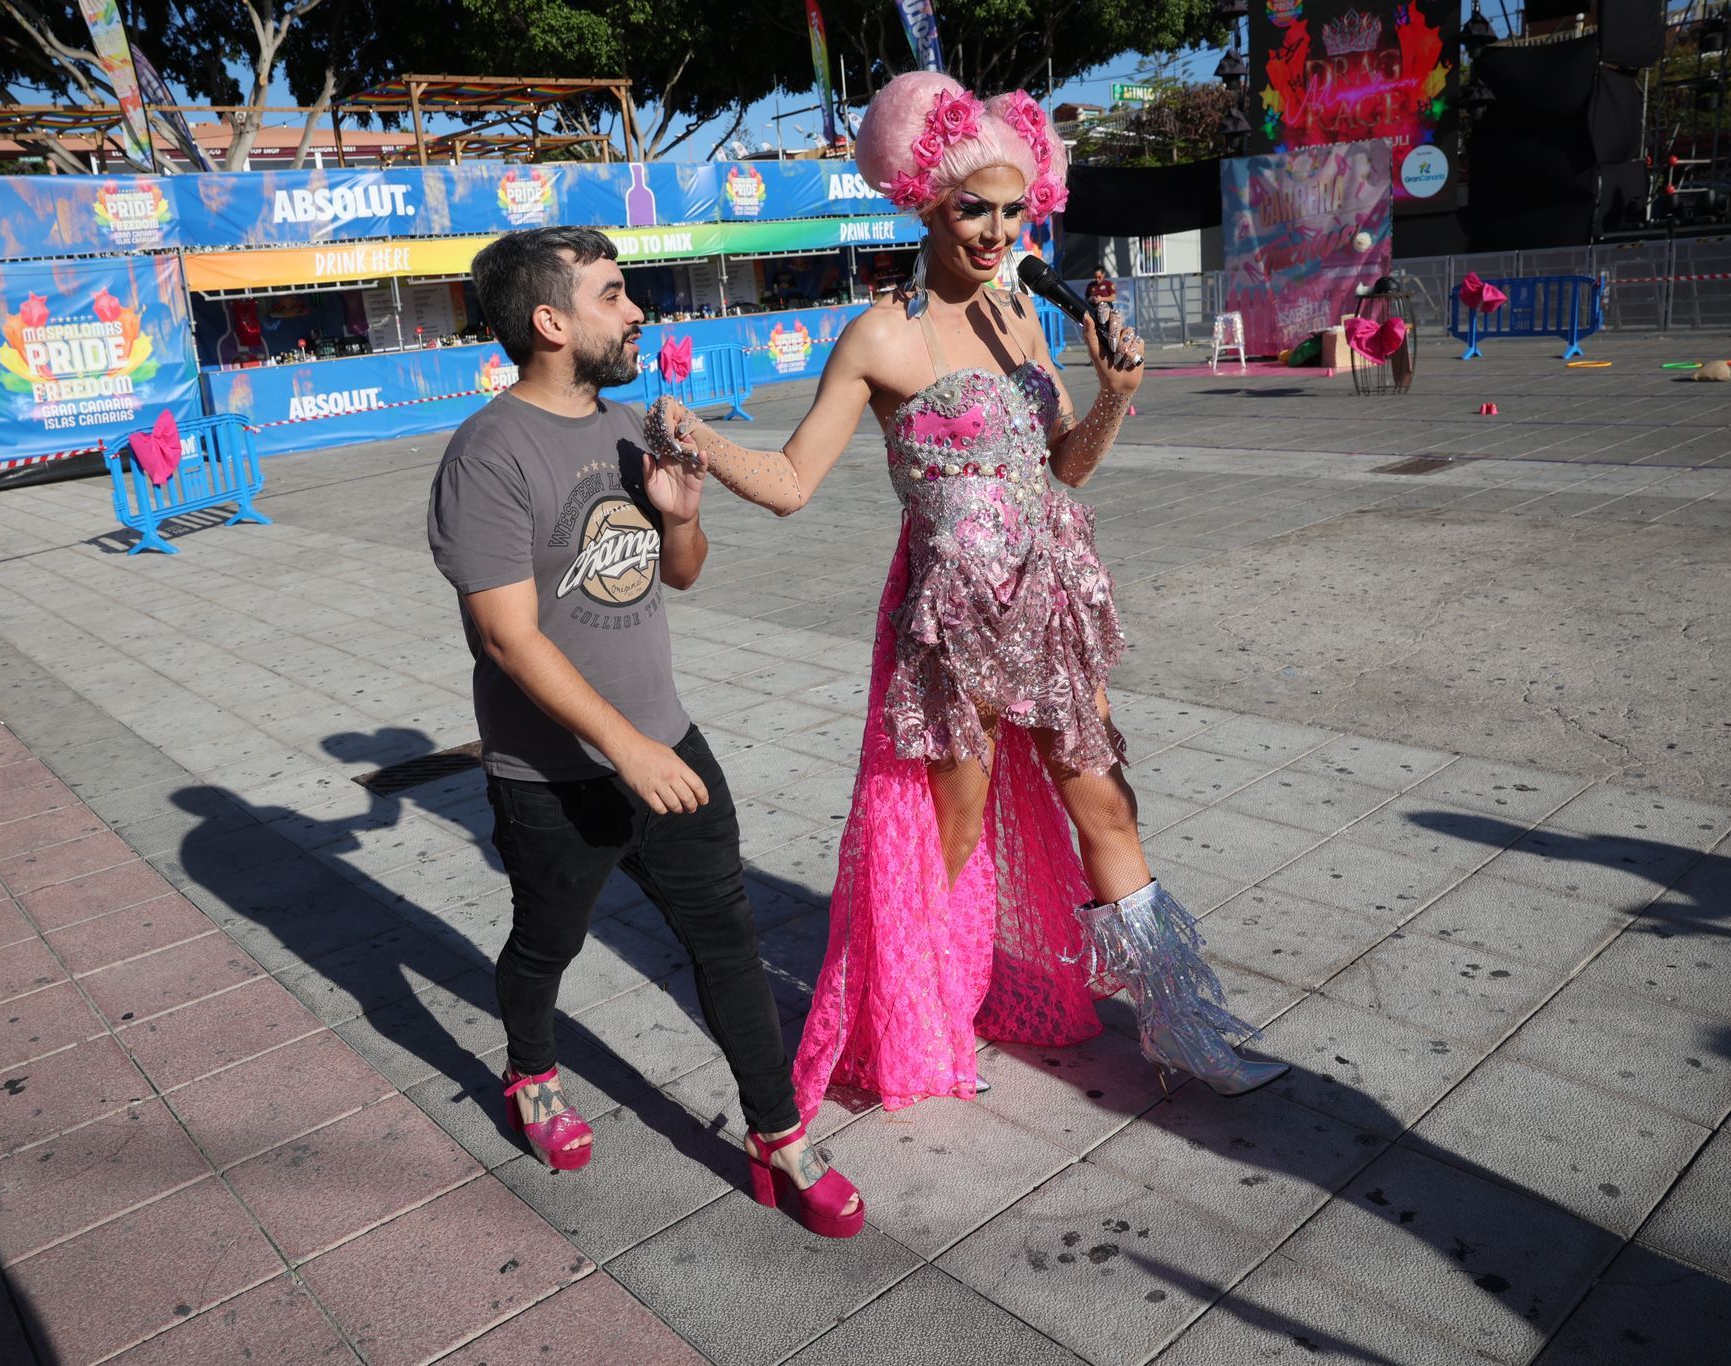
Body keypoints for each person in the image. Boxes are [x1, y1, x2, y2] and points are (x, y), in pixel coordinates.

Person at [646, 73, 1287, 1116]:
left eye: (1010, 209)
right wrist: (703, 440)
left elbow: (1063, 466)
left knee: (1105, 802)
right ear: (923, 203)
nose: (994, 231)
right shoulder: (878, 336)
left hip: (1049, 605)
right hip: (954, 625)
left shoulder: (1024, 316)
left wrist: (1117, 397)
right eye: (970, 209)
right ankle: (932, 1020)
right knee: (952, 827)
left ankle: (1184, 1025)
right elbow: (794, 485)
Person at [427, 226, 863, 1237]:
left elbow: (679, 573)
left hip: (669, 741)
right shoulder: (486, 455)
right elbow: (505, 637)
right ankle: (530, 1072)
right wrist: (623, 751)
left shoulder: (628, 426)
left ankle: (776, 1135)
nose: (635, 313)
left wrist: (676, 514)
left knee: (729, 941)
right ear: (549, 321)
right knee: (547, 942)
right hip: (552, 775)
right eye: (614, 295)